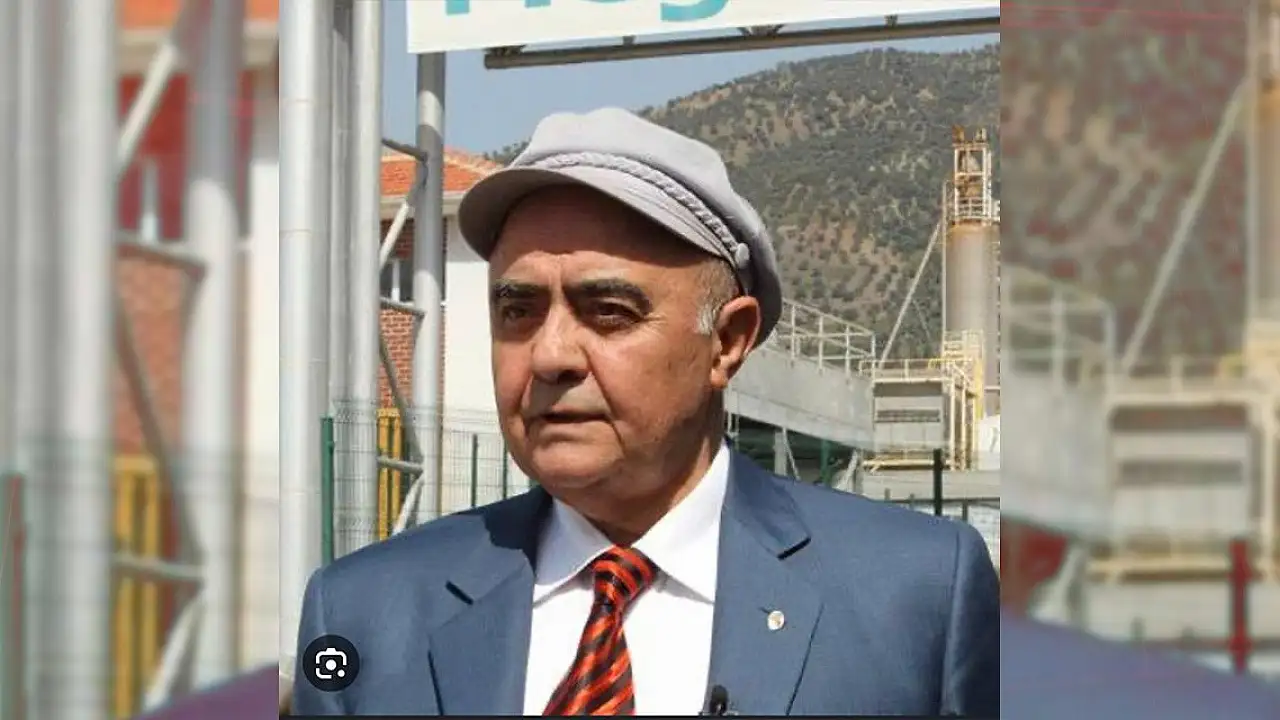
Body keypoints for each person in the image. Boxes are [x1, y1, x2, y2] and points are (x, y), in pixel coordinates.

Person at [290, 107, 1000, 716]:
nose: (550, 355)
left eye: (608, 311)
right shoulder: (362, 613)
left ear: (727, 342)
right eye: (517, 310)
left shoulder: (918, 596)